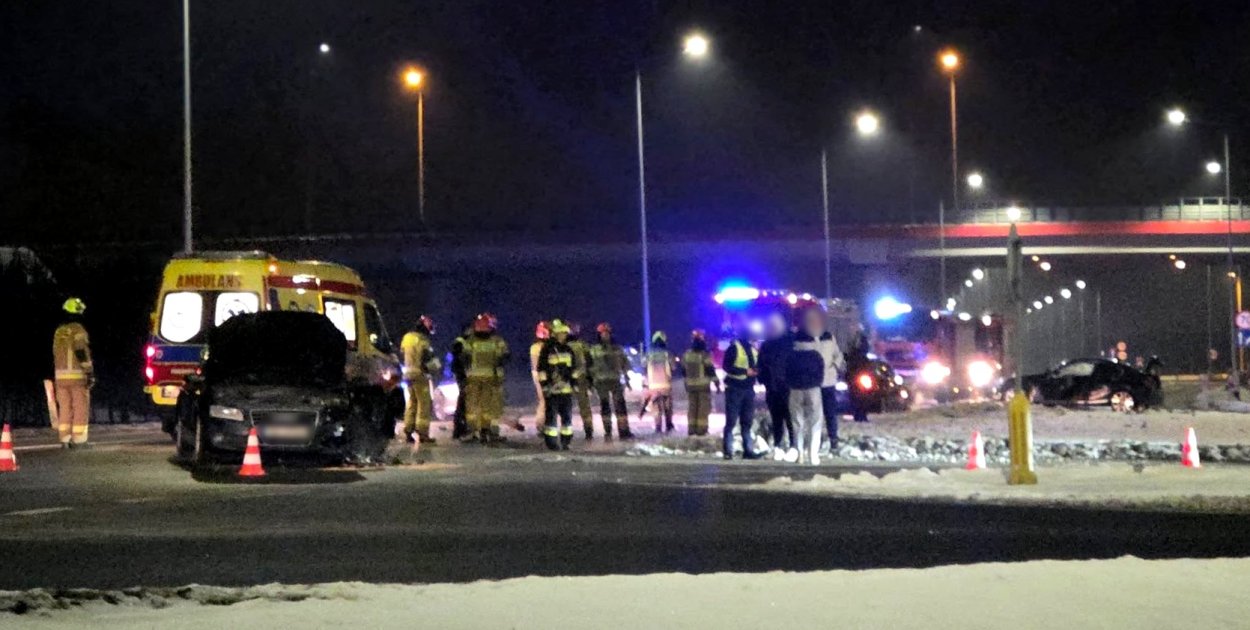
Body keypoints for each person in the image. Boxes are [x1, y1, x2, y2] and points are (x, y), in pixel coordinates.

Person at [786, 306, 829, 465]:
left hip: (795, 389)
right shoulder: (815, 355)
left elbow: (786, 372)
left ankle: (799, 454)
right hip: (813, 389)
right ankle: (813, 455)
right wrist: (817, 383)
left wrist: (791, 383)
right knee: (815, 421)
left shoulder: (792, 355)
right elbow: (821, 371)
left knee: (797, 422)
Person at [52, 297, 93, 448]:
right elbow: (81, 351)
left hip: (60, 378)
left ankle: (64, 439)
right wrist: (89, 372)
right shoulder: (78, 329)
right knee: (80, 407)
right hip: (77, 376)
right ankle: (79, 440)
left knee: (64, 408)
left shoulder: (59, 331)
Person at [463, 313, 510, 442]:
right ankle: (486, 430)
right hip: (491, 377)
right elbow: (504, 358)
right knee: (488, 405)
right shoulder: (497, 341)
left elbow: (464, 358)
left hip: (473, 377)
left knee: (472, 405)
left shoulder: (470, 341)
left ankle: (473, 431)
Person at [722, 316, 762, 460]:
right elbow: (726, 366)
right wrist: (745, 372)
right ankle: (728, 450)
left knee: (747, 422)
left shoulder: (754, 350)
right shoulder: (734, 348)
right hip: (735, 388)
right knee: (731, 422)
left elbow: (757, 367)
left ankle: (748, 450)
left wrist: (757, 373)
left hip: (748, 389)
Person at [757, 312, 794, 460]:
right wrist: (764, 379)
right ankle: (779, 445)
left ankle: (793, 446)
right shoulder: (767, 345)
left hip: (788, 388)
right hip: (774, 389)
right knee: (777, 419)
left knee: (791, 420)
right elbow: (761, 366)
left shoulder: (790, 342)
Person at [587, 323, 634, 439]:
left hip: (615, 381)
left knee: (620, 406)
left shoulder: (616, 349)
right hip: (601, 382)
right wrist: (590, 382)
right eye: (603, 333)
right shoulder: (593, 350)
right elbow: (588, 366)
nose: (605, 335)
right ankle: (608, 431)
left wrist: (627, 379)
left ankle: (623, 431)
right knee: (605, 407)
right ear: (599, 334)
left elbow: (625, 365)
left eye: (607, 333)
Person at [537, 319, 576, 450]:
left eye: (564, 333)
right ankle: (552, 443)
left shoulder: (568, 349)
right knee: (551, 418)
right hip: (552, 391)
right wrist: (545, 386)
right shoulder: (547, 349)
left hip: (566, 390)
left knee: (567, 418)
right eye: (560, 333)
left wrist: (573, 383)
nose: (563, 336)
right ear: (555, 334)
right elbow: (541, 369)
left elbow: (573, 369)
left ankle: (566, 441)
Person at [400, 315, 440, 443]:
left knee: (411, 403)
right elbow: (428, 359)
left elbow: (403, 354)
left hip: (408, 375)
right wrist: (436, 367)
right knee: (424, 403)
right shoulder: (422, 340)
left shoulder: (407, 338)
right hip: (420, 375)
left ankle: (408, 431)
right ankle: (423, 433)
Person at [681, 329, 718, 436]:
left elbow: (683, 371)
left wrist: (687, 382)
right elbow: (710, 370)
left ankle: (691, 429)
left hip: (691, 386)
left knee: (692, 408)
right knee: (703, 408)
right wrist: (717, 383)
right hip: (703, 386)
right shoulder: (704, 355)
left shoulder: (686, 355)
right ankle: (701, 430)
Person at [818, 319, 846, 453]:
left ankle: (833, 439)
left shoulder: (828, 337)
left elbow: (838, 355)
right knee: (814, 415)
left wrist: (834, 366)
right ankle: (814, 441)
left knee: (830, 413)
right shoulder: (805, 338)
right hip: (813, 383)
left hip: (828, 382)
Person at [641, 331, 675, 433]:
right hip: (666, 386)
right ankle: (669, 426)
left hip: (653, 386)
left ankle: (658, 427)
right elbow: (673, 367)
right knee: (668, 408)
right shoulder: (668, 354)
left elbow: (643, 366)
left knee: (656, 409)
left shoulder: (649, 354)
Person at [567, 323, 596, 440]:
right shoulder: (582, 345)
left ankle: (568, 430)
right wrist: (590, 378)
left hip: (569, 379)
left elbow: (589, 362)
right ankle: (588, 429)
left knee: (566, 406)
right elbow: (590, 362)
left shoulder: (564, 345)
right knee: (584, 406)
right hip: (579, 378)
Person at [448, 323, 472, 440]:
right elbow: (459, 360)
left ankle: (461, 427)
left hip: (464, 374)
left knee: (465, 400)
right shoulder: (460, 342)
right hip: (462, 374)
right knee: (463, 400)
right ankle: (459, 428)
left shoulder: (466, 342)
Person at [845, 328, 872, 423]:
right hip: (857, 374)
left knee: (859, 396)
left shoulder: (855, 354)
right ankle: (860, 414)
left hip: (857, 374)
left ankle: (860, 414)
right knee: (859, 396)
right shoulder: (859, 355)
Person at [529, 321, 551, 433]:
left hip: (540, 375)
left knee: (545, 400)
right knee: (544, 400)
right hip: (541, 376)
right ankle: (541, 425)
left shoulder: (535, 347)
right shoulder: (538, 347)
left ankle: (543, 424)